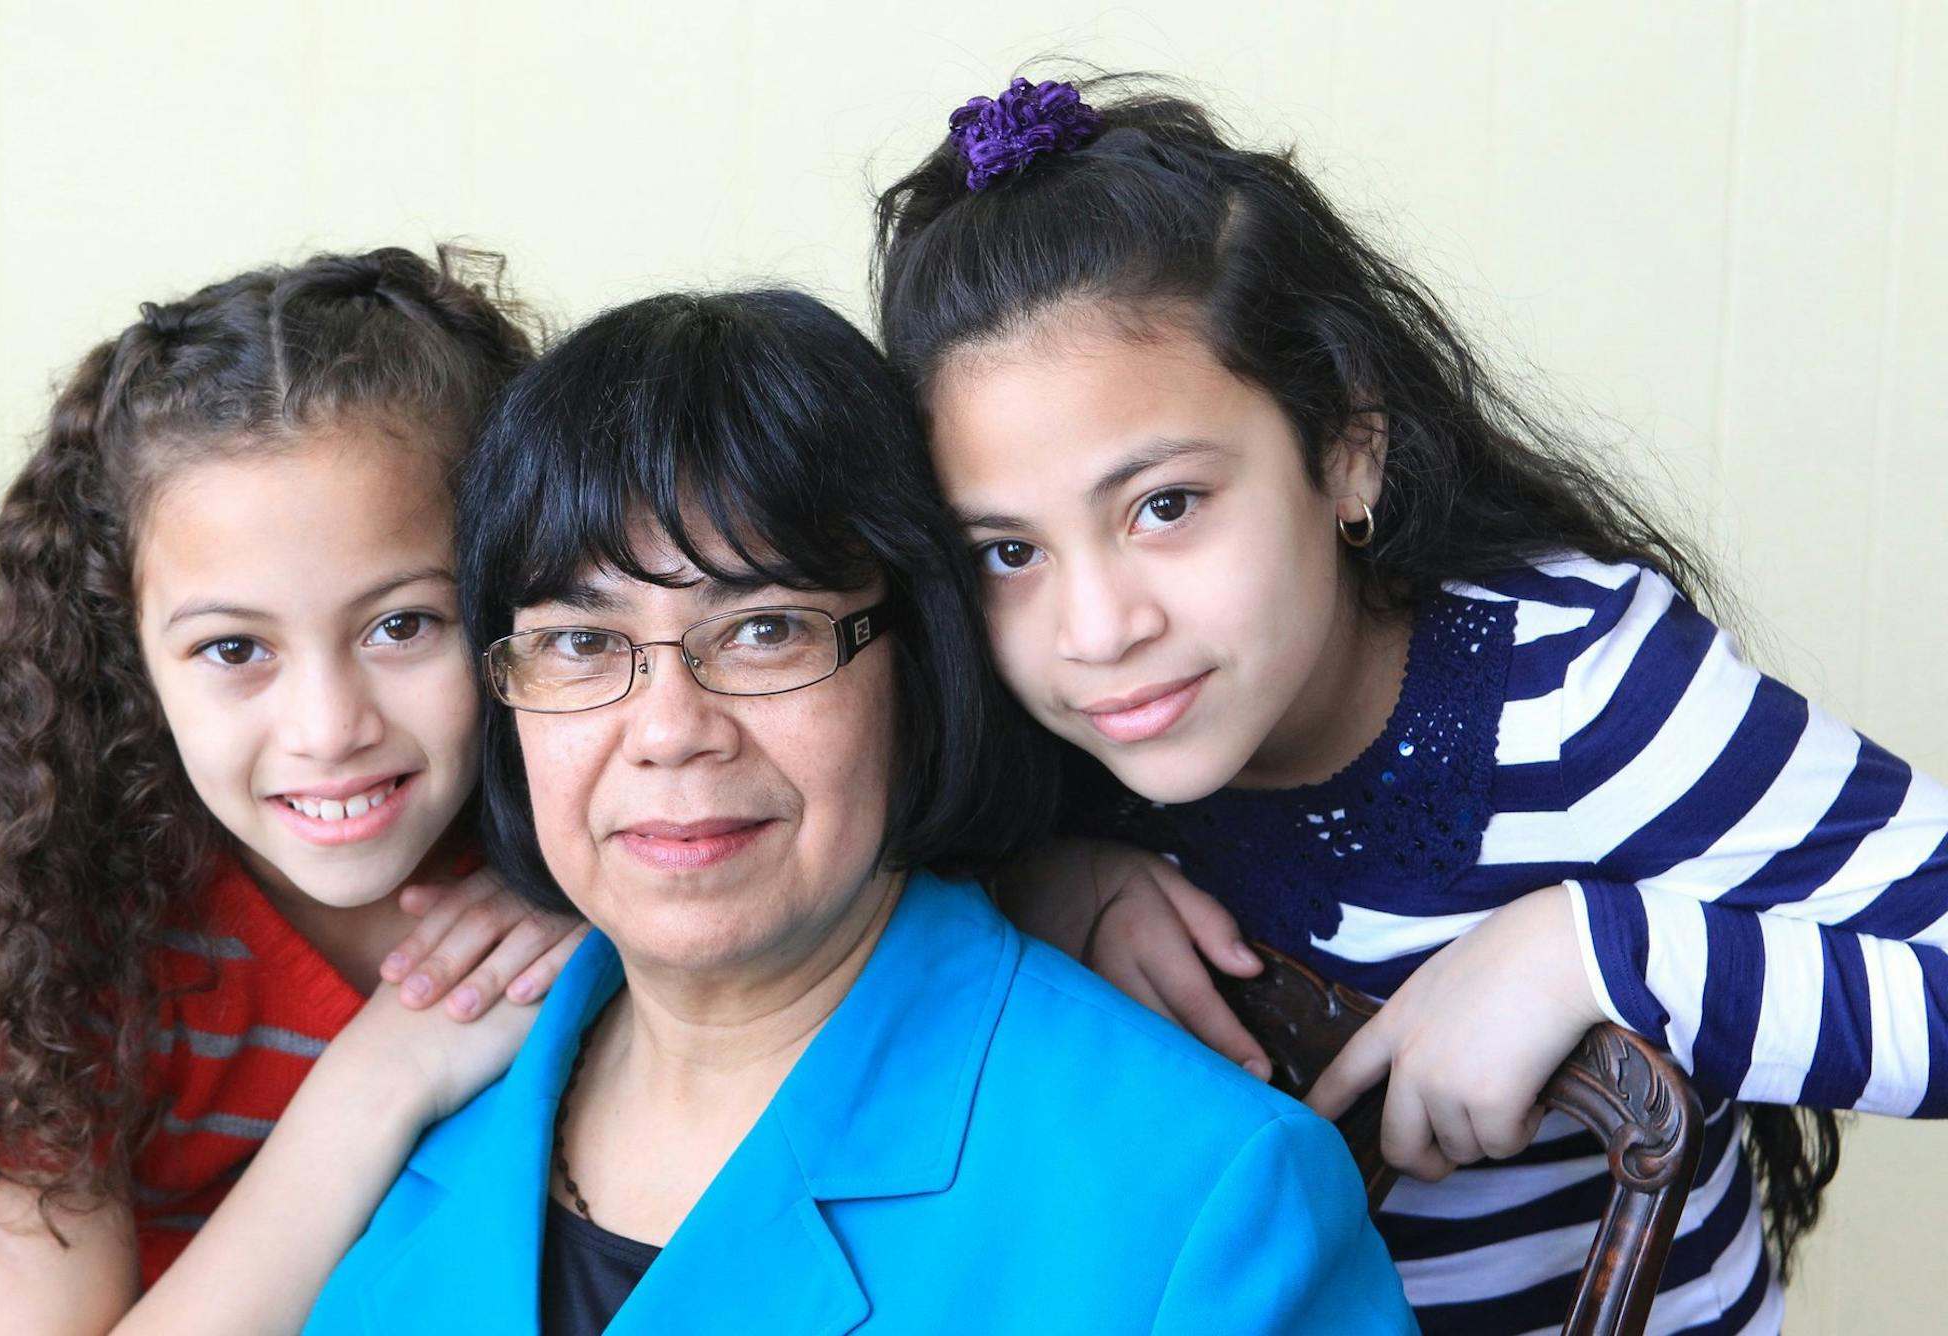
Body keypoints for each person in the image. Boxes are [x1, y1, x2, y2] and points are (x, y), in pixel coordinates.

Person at [871, 73, 1948, 1333]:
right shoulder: (996, 721)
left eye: (1164, 505)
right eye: (1008, 551)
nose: (1099, 629)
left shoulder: (1580, 697)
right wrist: (1024, 885)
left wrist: (1588, 952)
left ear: (1347, 450)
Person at [302, 288, 1414, 1334]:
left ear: (921, 668)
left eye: (766, 629)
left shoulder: (1205, 1197)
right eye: (583, 644)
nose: (669, 728)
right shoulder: (423, 1104)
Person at [0, 247, 584, 1335]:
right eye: (235, 648)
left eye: (403, 624)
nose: (329, 728)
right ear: (125, 657)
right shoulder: (44, 930)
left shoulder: (577, 854)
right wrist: (385, 1070)